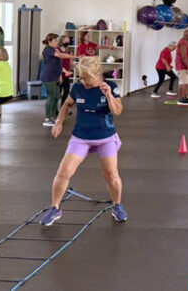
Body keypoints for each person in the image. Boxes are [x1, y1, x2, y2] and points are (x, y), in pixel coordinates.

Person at [41, 57, 127, 226]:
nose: (83, 81)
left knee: (111, 174)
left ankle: (117, 205)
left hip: (105, 137)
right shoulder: (78, 87)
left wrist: (108, 94)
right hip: (81, 137)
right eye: (81, 77)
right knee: (63, 172)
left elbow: (117, 111)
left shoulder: (111, 87)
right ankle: (55, 208)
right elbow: (67, 104)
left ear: (97, 75)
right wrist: (59, 121)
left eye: (86, 78)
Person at [40, 34, 75, 127]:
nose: (57, 42)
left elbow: (58, 64)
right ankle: (48, 118)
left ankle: (51, 117)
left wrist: (60, 74)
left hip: (55, 77)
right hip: (48, 77)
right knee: (51, 97)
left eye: (57, 40)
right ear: (49, 42)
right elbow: (60, 55)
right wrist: (73, 56)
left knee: (56, 96)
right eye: (55, 40)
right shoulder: (48, 49)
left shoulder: (54, 49)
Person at [176, 30, 188, 105]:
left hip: (187, 67)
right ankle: (181, 99)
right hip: (183, 67)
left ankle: (185, 97)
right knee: (183, 83)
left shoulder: (186, 42)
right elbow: (184, 57)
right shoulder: (183, 43)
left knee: (187, 83)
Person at [58, 35, 74, 107]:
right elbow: (58, 64)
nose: (68, 42)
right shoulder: (58, 50)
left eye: (68, 41)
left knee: (67, 92)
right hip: (59, 75)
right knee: (58, 93)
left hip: (66, 75)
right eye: (66, 40)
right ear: (62, 41)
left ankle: (63, 108)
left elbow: (71, 64)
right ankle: (55, 110)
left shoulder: (68, 51)